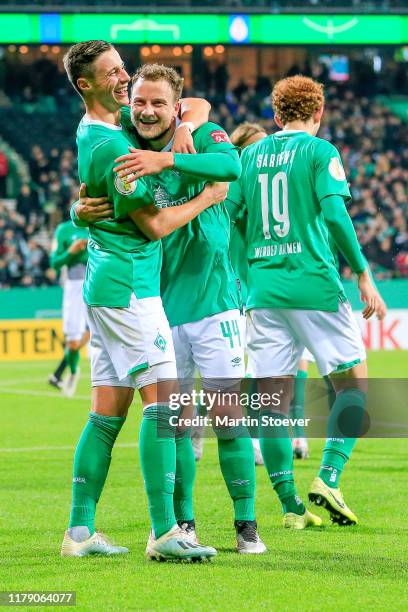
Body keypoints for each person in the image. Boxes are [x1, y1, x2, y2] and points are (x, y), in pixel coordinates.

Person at [75, 64, 266, 554]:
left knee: (228, 419)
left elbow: (231, 168)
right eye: (139, 101)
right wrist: (76, 210)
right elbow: (97, 180)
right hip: (154, 302)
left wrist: (173, 153)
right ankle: (180, 526)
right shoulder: (120, 137)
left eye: (161, 103)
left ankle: (246, 526)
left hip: (213, 304)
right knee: (172, 422)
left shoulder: (199, 131)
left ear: (177, 105)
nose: (147, 110)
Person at [61, 40, 223, 561]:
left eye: (122, 69)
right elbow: (153, 226)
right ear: (85, 84)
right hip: (131, 289)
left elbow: (195, 106)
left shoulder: (97, 132)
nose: (123, 79)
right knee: (165, 407)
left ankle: (79, 534)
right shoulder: (114, 147)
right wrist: (207, 197)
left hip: (105, 288)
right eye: (111, 74)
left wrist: (177, 130)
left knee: (106, 414)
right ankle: (164, 531)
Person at [226, 75, 383, 529]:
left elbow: (233, 218)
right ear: (319, 113)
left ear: (275, 116)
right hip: (313, 285)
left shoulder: (249, 156)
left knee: (273, 403)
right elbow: (334, 212)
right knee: (354, 387)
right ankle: (328, 478)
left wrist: (245, 274)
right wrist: (363, 273)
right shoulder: (321, 152)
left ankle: (291, 505)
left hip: (263, 292)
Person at [49, 216, 89, 396]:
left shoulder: (100, 226)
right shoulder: (63, 230)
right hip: (74, 285)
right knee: (73, 343)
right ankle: (73, 372)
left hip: (98, 281)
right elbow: (54, 263)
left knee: (98, 335)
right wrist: (71, 252)